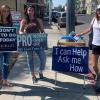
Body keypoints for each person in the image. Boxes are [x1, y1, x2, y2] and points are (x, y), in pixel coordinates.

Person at [19, 5, 46, 83]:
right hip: (28, 42)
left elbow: (42, 31)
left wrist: (43, 34)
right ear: (27, 11)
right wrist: (22, 34)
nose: (30, 12)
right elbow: (20, 31)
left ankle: (40, 71)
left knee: (43, 57)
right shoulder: (24, 20)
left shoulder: (38, 20)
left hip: (38, 42)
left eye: (32, 10)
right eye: (29, 10)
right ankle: (32, 75)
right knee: (30, 59)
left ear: (34, 11)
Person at [76, 6, 100, 81]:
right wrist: (80, 34)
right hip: (95, 44)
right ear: (96, 11)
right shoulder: (94, 19)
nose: (99, 12)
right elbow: (89, 29)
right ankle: (98, 75)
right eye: (98, 10)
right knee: (94, 65)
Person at [0, 5, 13, 87]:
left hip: (8, 47)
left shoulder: (11, 23)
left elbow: (13, 36)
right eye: (4, 11)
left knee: (6, 64)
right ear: (0, 12)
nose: (6, 13)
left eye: (8, 11)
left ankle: (5, 80)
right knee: (0, 64)